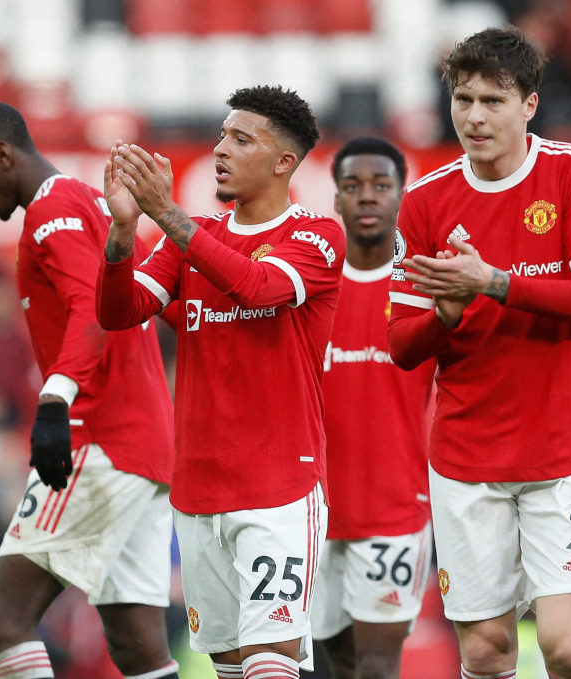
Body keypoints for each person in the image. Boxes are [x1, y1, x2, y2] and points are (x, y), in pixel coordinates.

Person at [387, 27, 571, 679]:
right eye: (463, 99)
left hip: (566, 447)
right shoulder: (427, 201)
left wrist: (493, 281)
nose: (475, 116)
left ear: (529, 105)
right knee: (486, 649)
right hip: (468, 456)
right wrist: (446, 313)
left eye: (493, 100)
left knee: (568, 649)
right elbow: (404, 347)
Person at [96, 86, 344, 679]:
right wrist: (125, 232)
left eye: (240, 139)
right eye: (220, 135)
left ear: (284, 161)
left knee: (269, 661)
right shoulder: (192, 240)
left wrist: (168, 217)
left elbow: (256, 286)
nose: (220, 149)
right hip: (200, 491)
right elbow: (119, 311)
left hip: (279, 487)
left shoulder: (315, 238)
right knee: (232, 667)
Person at [0, 102, 178, 679]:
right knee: (137, 642)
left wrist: (55, 399)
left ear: (3, 155)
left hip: (98, 439)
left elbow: (90, 309)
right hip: (146, 446)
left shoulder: (52, 208)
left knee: (4, 619)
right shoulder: (92, 205)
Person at [311, 138, 434, 679]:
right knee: (331, 662)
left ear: (401, 196)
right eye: (353, 187)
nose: (367, 198)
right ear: (335, 198)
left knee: (378, 666)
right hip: (312, 507)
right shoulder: (309, 286)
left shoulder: (424, 287)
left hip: (393, 509)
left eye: (381, 186)